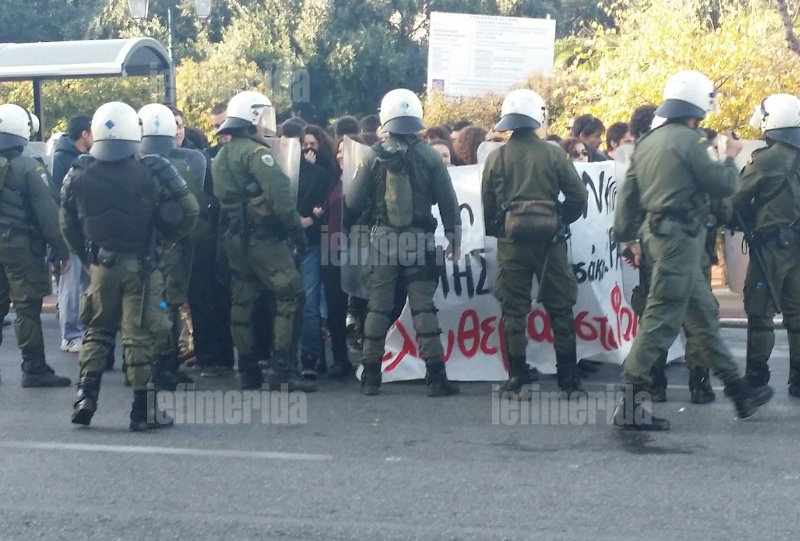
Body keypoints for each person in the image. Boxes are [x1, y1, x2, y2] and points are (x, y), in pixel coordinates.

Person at [613, 70, 773, 430]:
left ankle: (739, 392)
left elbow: (628, 198)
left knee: (702, 317)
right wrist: (731, 156)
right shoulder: (690, 141)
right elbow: (721, 184)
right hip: (681, 241)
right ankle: (629, 400)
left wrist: (628, 239)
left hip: (658, 237)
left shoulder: (648, 142)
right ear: (699, 104)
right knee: (660, 319)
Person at [62, 101, 199, 430]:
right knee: (138, 336)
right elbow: (190, 209)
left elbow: (66, 223)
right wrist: (170, 239)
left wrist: (87, 256)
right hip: (142, 266)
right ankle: (143, 411)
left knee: (97, 330)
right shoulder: (153, 168)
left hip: (103, 267)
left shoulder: (78, 171)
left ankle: (86, 397)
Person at [346, 88, 461, 396]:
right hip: (420, 241)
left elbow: (354, 201)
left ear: (385, 117)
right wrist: (454, 237)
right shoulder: (430, 155)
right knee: (424, 308)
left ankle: (371, 375)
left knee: (378, 308)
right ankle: (436, 377)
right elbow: (448, 202)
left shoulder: (372, 155)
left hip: (383, 241)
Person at [482, 89, 588, 398]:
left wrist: (501, 229)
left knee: (514, 311)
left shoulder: (495, 157)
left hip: (512, 245)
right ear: (537, 117)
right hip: (551, 244)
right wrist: (560, 220)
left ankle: (517, 378)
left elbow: (487, 204)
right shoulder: (554, 153)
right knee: (561, 308)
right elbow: (578, 197)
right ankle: (568, 379)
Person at [212, 90, 315, 392]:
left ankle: (247, 370)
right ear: (254, 119)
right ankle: (283, 369)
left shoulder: (221, 157)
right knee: (292, 295)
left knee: (242, 300)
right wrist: (297, 232)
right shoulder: (259, 155)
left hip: (235, 240)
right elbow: (281, 199)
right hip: (265, 242)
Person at [731, 93, 800, 398]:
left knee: (759, 310)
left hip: (772, 247)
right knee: (797, 311)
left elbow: (736, 198)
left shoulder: (766, 158)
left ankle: (757, 375)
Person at [0, 103, 72, 388]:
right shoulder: (29, 167)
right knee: (27, 306)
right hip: (20, 245)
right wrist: (61, 250)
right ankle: (34, 367)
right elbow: (49, 215)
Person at [137, 103, 207, 389]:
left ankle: (159, 362)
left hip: (140, 248)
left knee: (156, 304)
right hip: (173, 247)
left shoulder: (129, 164)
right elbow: (196, 208)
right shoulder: (180, 166)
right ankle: (164, 364)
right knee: (169, 303)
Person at [297, 125, 339, 378]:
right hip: (294, 241)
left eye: (313, 145)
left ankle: (311, 356)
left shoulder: (324, 174)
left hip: (313, 243)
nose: (308, 149)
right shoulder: (285, 171)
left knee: (311, 305)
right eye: (304, 144)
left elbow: (321, 208)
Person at [51, 114, 93, 354]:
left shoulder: (71, 157)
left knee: (85, 282)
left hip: (83, 230)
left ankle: (81, 330)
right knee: (71, 284)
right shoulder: (63, 159)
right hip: (71, 231)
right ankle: (71, 334)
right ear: (85, 134)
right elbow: (59, 203)